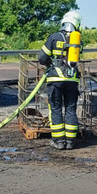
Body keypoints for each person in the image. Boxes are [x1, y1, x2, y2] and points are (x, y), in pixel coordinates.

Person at [38, 11, 82, 150]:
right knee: (70, 109)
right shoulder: (78, 40)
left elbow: (42, 58)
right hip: (72, 80)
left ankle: (59, 142)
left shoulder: (54, 37)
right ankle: (70, 142)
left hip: (55, 79)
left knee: (56, 109)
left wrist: (50, 63)